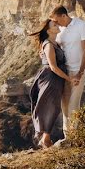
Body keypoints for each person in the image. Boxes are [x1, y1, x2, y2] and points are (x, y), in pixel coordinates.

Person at [28, 19, 72, 148]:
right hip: (50, 77)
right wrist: (69, 79)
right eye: (55, 25)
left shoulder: (55, 43)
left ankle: (45, 138)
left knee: (53, 107)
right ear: (48, 30)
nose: (58, 26)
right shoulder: (48, 45)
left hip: (55, 78)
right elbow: (53, 67)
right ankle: (45, 138)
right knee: (51, 106)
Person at [50, 5, 85, 136]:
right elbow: (53, 46)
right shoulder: (59, 31)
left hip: (78, 71)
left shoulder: (81, 25)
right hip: (64, 72)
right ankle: (68, 136)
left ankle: (75, 136)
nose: (56, 23)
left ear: (64, 16)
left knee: (74, 104)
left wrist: (80, 73)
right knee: (65, 105)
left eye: (57, 20)